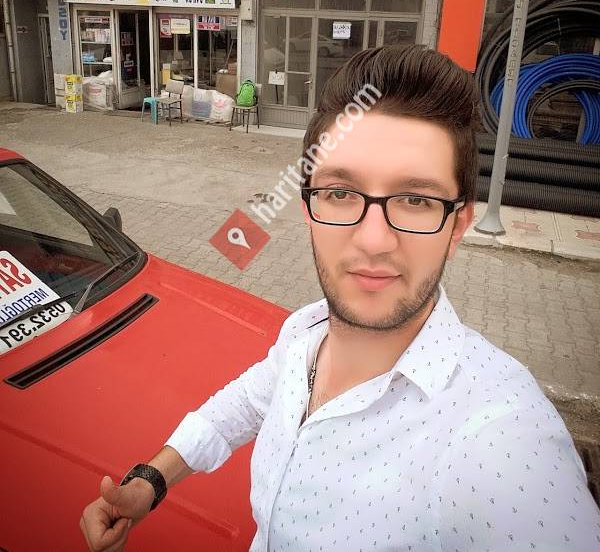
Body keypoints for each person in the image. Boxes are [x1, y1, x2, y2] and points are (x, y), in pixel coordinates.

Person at [80, 45, 600, 551]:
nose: (373, 240)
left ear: (458, 224)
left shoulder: (502, 442)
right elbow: (239, 407)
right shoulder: (304, 333)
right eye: (341, 193)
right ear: (309, 209)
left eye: (415, 199)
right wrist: (151, 481)